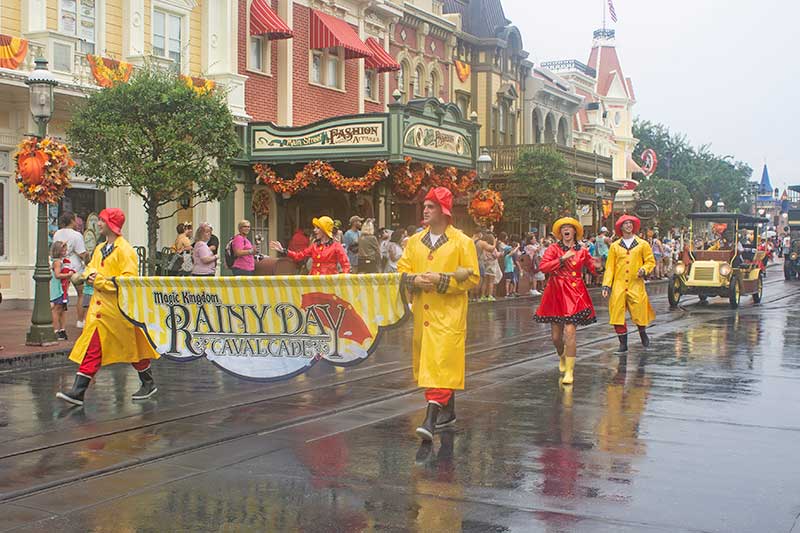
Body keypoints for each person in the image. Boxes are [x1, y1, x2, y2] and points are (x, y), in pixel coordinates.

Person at [397, 187, 480, 441]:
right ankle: (449, 412)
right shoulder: (414, 242)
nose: (425, 210)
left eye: (431, 206)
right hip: (424, 315)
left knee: (441, 364)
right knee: (437, 364)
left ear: (444, 212)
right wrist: (413, 280)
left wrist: (442, 280)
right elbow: (401, 271)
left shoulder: (462, 242)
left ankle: (430, 419)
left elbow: (473, 276)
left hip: (449, 315)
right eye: (425, 205)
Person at [56, 208, 160, 406]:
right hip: (100, 311)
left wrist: (99, 282)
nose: (99, 224)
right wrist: (85, 275)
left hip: (117, 310)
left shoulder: (125, 250)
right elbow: (92, 269)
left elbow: (128, 280)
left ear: (111, 224)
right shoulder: (100, 248)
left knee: (132, 346)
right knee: (95, 348)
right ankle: (78, 392)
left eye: (102, 221)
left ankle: (148, 383)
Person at [534, 218, 598, 385]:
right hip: (555, 293)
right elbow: (543, 267)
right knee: (556, 337)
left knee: (570, 333)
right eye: (563, 228)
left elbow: (593, 268)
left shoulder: (583, 250)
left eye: (569, 227)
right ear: (560, 232)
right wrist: (562, 259)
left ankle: (570, 371)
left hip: (575, 294)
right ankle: (562, 355)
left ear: (575, 231)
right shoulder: (553, 248)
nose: (566, 230)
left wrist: (599, 266)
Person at [602, 215, 656, 354]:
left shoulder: (642, 244)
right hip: (619, 285)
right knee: (617, 313)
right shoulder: (615, 246)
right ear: (620, 227)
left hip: (635, 283)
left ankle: (642, 333)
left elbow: (650, 261)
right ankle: (623, 344)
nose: (628, 225)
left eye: (630, 223)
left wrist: (644, 269)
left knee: (640, 310)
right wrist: (606, 285)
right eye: (625, 223)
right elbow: (610, 267)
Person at [270, 215, 350, 275]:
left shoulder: (336, 246)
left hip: (329, 283)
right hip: (314, 282)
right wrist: (283, 250)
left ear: (324, 230)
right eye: (315, 228)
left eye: (318, 228)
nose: (315, 230)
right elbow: (299, 256)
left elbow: (346, 265)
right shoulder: (314, 246)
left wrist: (343, 281)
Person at [53, 212, 89, 328]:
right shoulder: (76, 235)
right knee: (81, 293)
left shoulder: (57, 233)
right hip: (74, 267)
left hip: (61, 266)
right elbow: (81, 253)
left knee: (61, 295)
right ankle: (80, 320)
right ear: (72, 221)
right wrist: (88, 257)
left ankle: (59, 325)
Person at [49, 240, 73, 340]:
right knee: (57, 309)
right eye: (63, 249)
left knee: (63, 309)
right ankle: (56, 330)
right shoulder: (57, 262)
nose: (65, 251)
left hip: (63, 288)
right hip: (58, 288)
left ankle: (62, 330)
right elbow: (57, 275)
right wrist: (69, 275)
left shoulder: (60, 261)